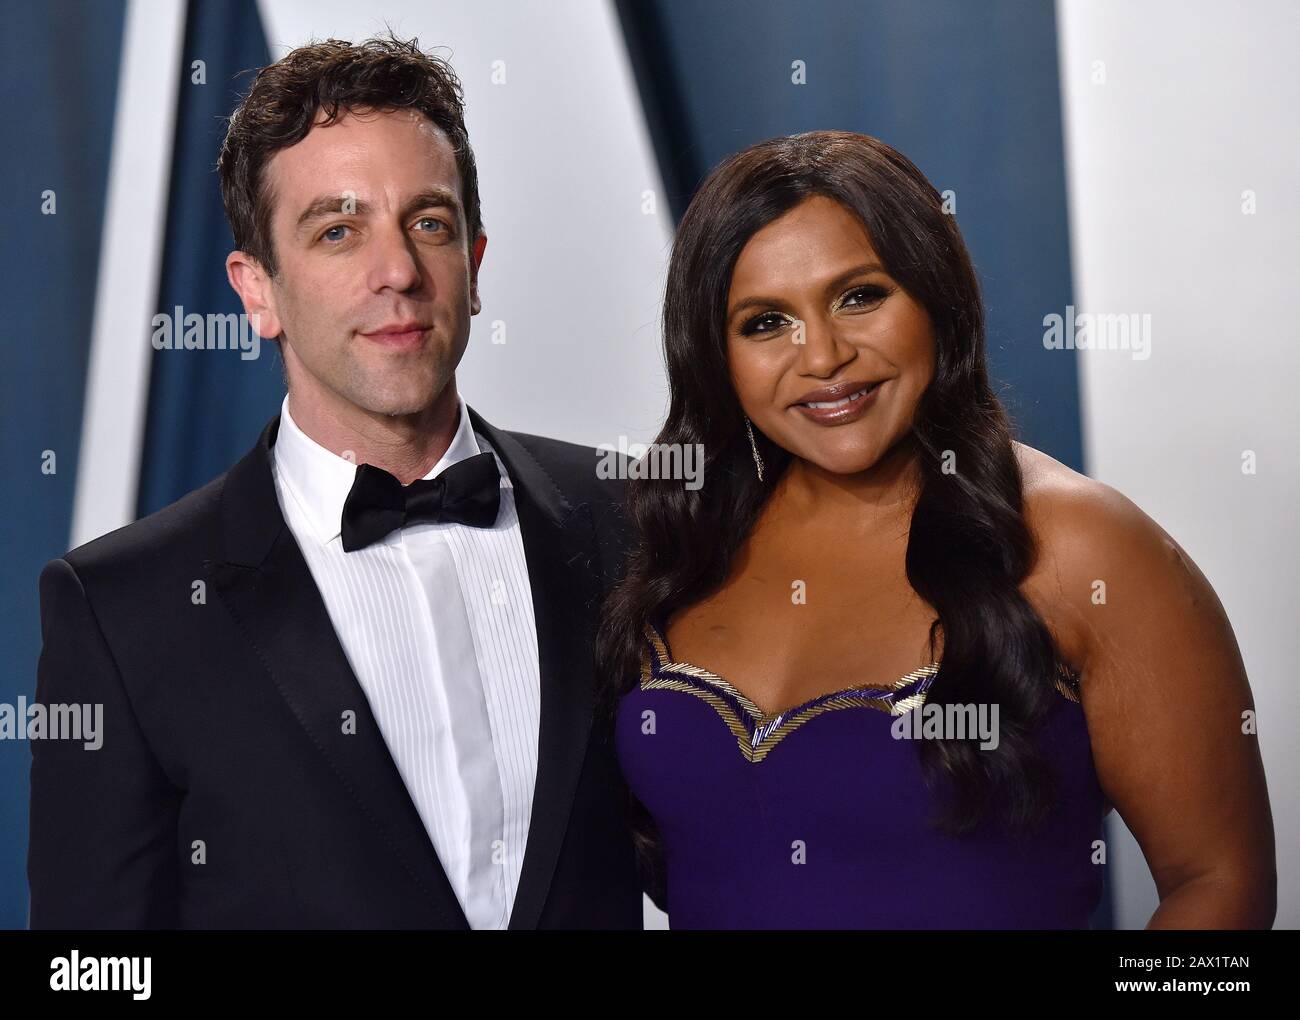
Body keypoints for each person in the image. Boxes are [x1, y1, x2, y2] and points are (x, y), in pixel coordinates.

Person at [28, 35, 641, 929]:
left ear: (474, 266)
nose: (396, 272)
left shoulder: (629, 520)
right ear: (257, 290)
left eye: (427, 223)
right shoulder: (123, 611)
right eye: (338, 231)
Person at [598, 130, 1276, 929]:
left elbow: (1220, 884)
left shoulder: (1083, 547)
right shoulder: (680, 542)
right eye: (765, 322)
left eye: (860, 296)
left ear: (937, 299)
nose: (823, 356)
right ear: (715, 353)